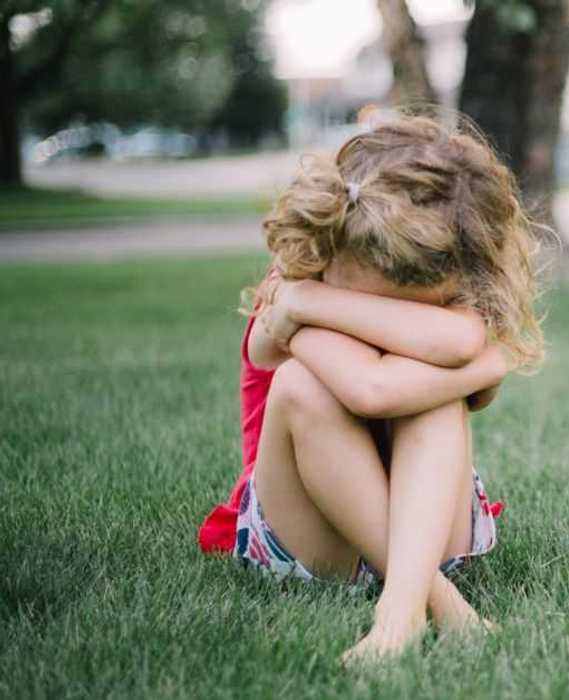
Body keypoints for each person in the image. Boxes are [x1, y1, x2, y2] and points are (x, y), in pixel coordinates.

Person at [196, 114, 546, 664]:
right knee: (299, 383)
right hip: (308, 539)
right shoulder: (293, 285)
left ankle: (399, 613)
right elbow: (371, 389)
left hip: (430, 530)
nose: (392, 319)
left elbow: (456, 342)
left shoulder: (305, 300)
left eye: (408, 310)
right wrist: (485, 367)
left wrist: (310, 305)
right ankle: (435, 601)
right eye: (379, 303)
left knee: (431, 403)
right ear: (335, 253)